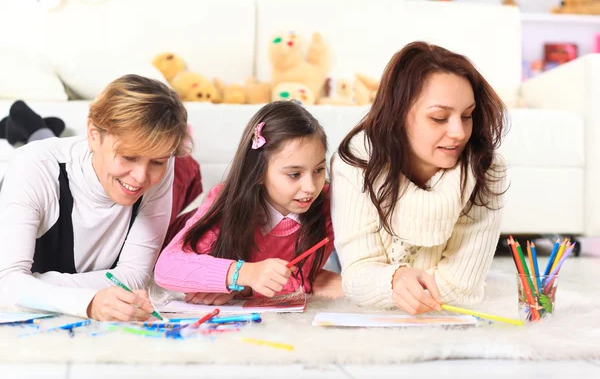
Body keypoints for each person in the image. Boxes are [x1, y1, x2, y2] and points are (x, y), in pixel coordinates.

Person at [331, 41, 508, 314]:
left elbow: (463, 290)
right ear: (398, 115)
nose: (459, 133)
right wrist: (395, 280)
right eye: (439, 118)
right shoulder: (357, 161)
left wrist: (389, 286)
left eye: (467, 116)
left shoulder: (485, 169)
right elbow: (356, 277)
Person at [0, 74, 192, 321]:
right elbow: (5, 284)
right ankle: (34, 128)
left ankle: (40, 130)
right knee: (44, 157)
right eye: (128, 157)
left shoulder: (157, 157)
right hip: (38, 168)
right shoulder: (32, 164)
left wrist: (31, 286)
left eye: (157, 162)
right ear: (93, 133)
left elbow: (135, 277)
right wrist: (89, 302)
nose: (141, 177)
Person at [155, 101, 341, 304]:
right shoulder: (228, 202)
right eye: (294, 174)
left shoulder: (327, 203)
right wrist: (245, 274)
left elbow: (302, 280)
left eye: (318, 170)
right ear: (259, 172)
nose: (310, 187)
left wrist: (242, 289)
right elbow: (167, 267)